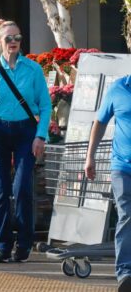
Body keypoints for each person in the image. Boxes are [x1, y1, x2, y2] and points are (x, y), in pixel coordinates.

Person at [0, 19, 51, 263]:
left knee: (22, 188)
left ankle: (24, 243)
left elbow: (46, 105)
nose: (14, 42)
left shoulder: (33, 69)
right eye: (9, 38)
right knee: (2, 189)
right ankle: (3, 245)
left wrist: (40, 135)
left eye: (17, 37)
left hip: (26, 131)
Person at [85, 75, 131, 292]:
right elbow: (100, 121)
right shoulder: (118, 88)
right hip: (122, 167)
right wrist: (90, 156)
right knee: (126, 215)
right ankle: (125, 272)